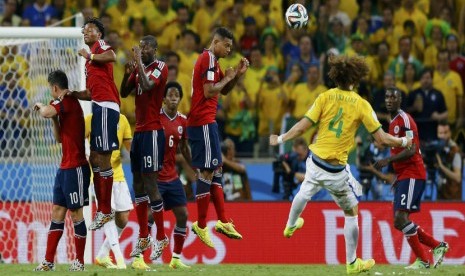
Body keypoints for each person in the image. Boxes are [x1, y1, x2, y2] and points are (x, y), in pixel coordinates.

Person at [269, 55, 413, 274]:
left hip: (315, 161)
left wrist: (280, 139)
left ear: (335, 77)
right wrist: (403, 141)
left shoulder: (325, 96)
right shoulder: (362, 105)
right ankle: (352, 262)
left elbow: (301, 127)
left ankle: (290, 225)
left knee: (305, 190)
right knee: (352, 211)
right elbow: (382, 139)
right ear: (355, 79)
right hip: (336, 172)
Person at [374, 87, 450, 269]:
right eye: (387, 97)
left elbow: (412, 149)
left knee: (401, 219)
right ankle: (437, 247)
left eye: (394, 97)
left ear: (400, 100)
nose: (389, 100)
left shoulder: (405, 119)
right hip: (405, 176)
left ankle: (424, 260)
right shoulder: (393, 122)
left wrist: (388, 160)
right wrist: (398, 178)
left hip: (413, 173)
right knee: (399, 221)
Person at [187, 27, 249, 248]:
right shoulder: (207, 59)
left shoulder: (213, 61)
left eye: (231, 46)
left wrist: (237, 76)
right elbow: (209, 91)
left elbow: (223, 90)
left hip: (207, 122)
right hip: (202, 122)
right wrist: (229, 78)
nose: (229, 49)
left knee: (217, 168)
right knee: (207, 170)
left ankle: (222, 220)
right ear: (216, 42)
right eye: (227, 45)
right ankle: (202, 224)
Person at [66, 17, 121, 231]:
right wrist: (73, 94)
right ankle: (104, 209)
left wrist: (89, 54)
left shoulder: (100, 48)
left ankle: (106, 210)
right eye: (84, 30)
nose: (85, 33)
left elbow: (112, 56)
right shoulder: (90, 62)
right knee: (96, 157)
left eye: (90, 30)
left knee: (103, 157)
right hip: (99, 104)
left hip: (107, 106)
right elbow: (90, 92)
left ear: (99, 33)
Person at [33, 70, 89, 271]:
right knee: (57, 211)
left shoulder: (68, 101)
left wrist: (41, 105)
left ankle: (80, 262)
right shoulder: (63, 105)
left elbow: (46, 111)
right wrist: (54, 119)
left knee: (76, 215)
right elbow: (58, 138)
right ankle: (48, 261)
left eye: (50, 88)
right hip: (65, 167)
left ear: (54, 88)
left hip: (76, 168)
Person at [133, 81, 192, 270]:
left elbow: (184, 148)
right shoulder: (155, 118)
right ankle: (139, 258)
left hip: (172, 176)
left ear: (180, 99)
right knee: (149, 217)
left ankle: (175, 259)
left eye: (177, 95)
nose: (174, 97)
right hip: (155, 177)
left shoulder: (183, 121)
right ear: (164, 98)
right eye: (170, 94)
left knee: (183, 215)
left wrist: (195, 165)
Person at [120, 35, 169, 258]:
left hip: (152, 132)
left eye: (146, 47)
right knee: (138, 184)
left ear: (155, 49)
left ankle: (161, 237)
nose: (142, 49)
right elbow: (123, 92)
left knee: (150, 184)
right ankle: (142, 236)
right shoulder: (140, 68)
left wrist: (138, 62)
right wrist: (127, 71)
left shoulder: (160, 67)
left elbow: (149, 86)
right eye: (140, 47)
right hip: (139, 132)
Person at [87, 113, 133, 269]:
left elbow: (129, 145)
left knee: (124, 217)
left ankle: (102, 255)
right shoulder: (90, 119)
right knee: (108, 213)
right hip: (99, 175)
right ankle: (120, 259)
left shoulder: (123, 119)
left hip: (118, 174)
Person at [436, 122, 463, 200]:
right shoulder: (437, 149)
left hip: (452, 198)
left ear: (450, 133)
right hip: (440, 195)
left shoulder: (455, 151)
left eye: (445, 133)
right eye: (440, 133)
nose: (443, 136)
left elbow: (457, 177)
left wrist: (441, 166)